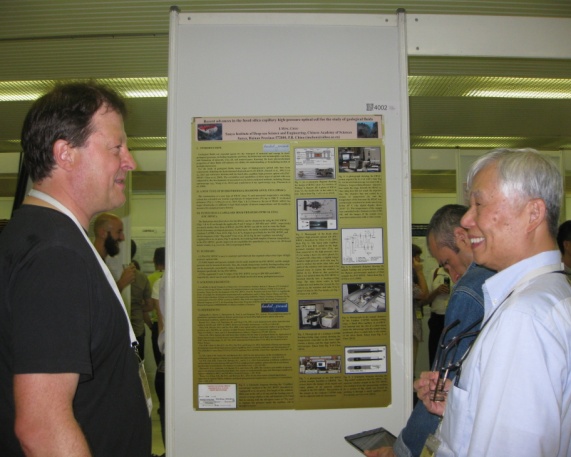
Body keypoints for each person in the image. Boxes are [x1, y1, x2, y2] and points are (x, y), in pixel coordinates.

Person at [0, 81, 151, 456]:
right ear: (65, 153)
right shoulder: (56, 255)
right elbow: (41, 427)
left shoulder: (42, 236)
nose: (130, 161)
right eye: (117, 147)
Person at [416, 148, 571, 456]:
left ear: (533, 214)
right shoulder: (549, 293)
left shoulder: (524, 318)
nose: (466, 219)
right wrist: (465, 405)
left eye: (479, 204)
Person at [365, 205, 494, 457]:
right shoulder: (504, 281)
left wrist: (402, 450)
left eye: (447, 263)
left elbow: (439, 391)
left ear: (462, 237)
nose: (453, 277)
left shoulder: (468, 291)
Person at [93, 212, 136, 292]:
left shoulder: (99, 261)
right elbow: (98, 297)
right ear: (103, 233)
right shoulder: (91, 263)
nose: (122, 238)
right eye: (118, 232)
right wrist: (121, 283)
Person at [130, 239, 153, 358]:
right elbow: (149, 306)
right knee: (138, 363)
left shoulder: (113, 272)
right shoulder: (142, 277)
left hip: (118, 329)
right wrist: (137, 307)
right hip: (138, 328)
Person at [425, 267, 451, 367]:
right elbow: (425, 300)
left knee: (450, 355)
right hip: (437, 319)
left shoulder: (460, 271)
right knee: (434, 354)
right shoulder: (435, 273)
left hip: (453, 318)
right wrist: (437, 291)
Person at [412, 244, 429, 372]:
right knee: (410, 365)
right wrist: (419, 271)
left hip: (414, 327)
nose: (419, 261)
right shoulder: (405, 278)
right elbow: (423, 293)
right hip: (409, 330)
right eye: (417, 258)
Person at [147, 246, 166, 366]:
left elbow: (148, 305)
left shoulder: (150, 279)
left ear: (154, 260)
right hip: (169, 324)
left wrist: (149, 324)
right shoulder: (172, 277)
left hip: (156, 324)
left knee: (160, 363)